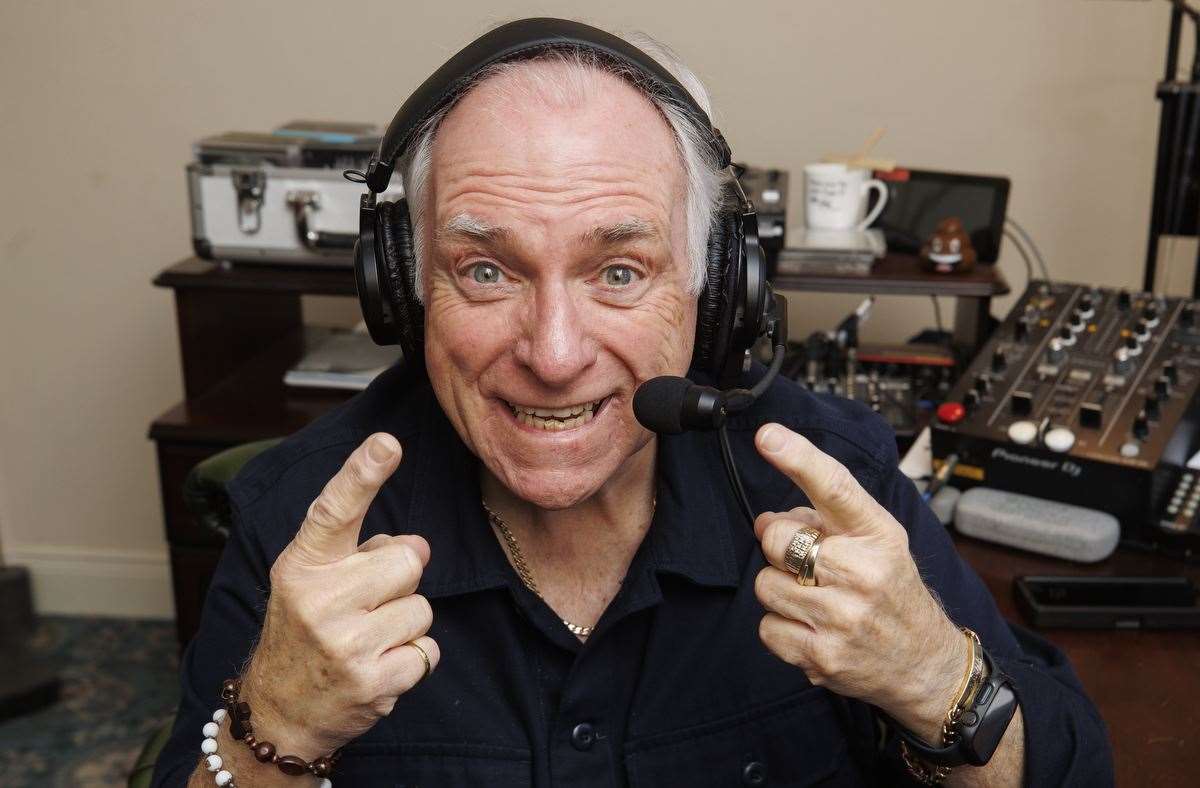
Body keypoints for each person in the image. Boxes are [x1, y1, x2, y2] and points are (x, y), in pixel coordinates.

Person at [154, 19, 1111, 787]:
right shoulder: (298, 520)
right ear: (402, 292)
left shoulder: (831, 479)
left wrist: (940, 681)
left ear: (714, 292)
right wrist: (272, 729)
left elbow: (1070, 768)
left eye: (619, 270)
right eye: (486, 270)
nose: (555, 354)